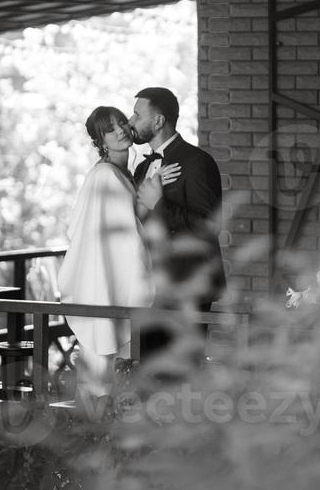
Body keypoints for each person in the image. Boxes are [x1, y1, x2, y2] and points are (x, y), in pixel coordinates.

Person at [57, 105, 179, 395]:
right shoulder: (104, 177)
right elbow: (122, 235)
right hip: (105, 281)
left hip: (117, 280)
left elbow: (130, 219)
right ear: (100, 142)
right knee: (106, 374)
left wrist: (151, 188)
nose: (121, 130)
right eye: (110, 129)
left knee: (121, 373)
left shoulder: (124, 173)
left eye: (122, 122)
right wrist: (152, 197)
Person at [129, 87, 226, 353]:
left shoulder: (197, 162)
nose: (130, 122)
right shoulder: (141, 168)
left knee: (179, 376)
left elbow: (208, 227)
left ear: (158, 121)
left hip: (187, 286)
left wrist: (159, 204)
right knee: (145, 367)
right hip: (148, 287)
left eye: (137, 115)